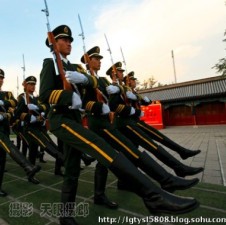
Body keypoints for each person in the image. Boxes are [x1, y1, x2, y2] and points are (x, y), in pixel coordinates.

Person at [39, 25, 199, 225]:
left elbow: (93, 83)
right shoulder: (50, 64)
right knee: (100, 146)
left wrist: (84, 79)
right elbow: (44, 96)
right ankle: (153, 196)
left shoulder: (74, 68)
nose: (69, 43)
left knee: (72, 169)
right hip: (60, 120)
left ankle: (65, 215)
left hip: (75, 119)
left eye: (71, 40)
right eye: (64, 40)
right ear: (54, 43)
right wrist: (68, 96)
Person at [81, 46, 199, 206]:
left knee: (105, 159)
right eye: (96, 59)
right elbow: (86, 103)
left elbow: (111, 99)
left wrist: (122, 91)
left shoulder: (102, 81)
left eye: (100, 59)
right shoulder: (84, 79)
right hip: (101, 123)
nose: (100, 61)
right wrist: (118, 104)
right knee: (132, 150)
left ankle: (101, 194)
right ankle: (167, 179)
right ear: (89, 62)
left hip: (109, 123)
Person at [106, 62, 204, 178]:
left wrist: (137, 99)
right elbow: (112, 105)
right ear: (114, 74)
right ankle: (178, 166)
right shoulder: (115, 88)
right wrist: (133, 111)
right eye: (120, 72)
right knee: (151, 145)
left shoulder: (124, 88)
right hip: (125, 122)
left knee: (139, 150)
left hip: (132, 122)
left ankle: (125, 181)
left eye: (122, 71)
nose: (122, 73)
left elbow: (141, 101)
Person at [0, 68, 41, 197]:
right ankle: (27, 166)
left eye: (2, 78)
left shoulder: (6, 94)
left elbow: (15, 102)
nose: (0, 80)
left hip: (4, 128)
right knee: (9, 146)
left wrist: (4, 110)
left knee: (1, 159)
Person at [124, 71, 201, 160]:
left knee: (137, 147)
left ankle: (182, 151)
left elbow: (145, 102)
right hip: (133, 123)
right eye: (133, 81)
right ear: (128, 82)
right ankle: (182, 152)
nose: (135, 82)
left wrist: (146, 100)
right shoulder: (126, 91)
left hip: (137, 121)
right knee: (157, 139)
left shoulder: (134, 92)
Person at [14, 75, 64, 183]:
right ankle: (62, 160)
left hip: (39, 126)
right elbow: (17, 114)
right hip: (30, 128)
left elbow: (45, 108)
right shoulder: (23, 99)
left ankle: (30, 173)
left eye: (33, 84)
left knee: (33, 151)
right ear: (26, 85)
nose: (32, 86)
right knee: (45, 144)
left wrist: (41, 113)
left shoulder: (36, 99)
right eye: (30, 84)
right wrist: (28, 117)